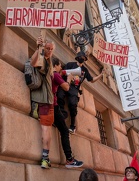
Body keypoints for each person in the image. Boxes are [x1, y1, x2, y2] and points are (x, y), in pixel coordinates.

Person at [57, 51, 106, 133]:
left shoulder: (85, 70)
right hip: (66, 84)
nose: (82, 59)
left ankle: (72, 126)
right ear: (77, 58)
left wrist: (101, 75)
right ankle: (62, 114)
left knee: (73, 105)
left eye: (83, 58)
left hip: (74, 89)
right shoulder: (70, 65)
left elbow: (92, 80)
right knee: (59, 95)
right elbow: (62, 73)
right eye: (81, 57)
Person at [52, 57, 84, 168]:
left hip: (48, 106)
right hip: (53, 106)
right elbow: (66, 87)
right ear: (55, 65)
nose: (61, 67)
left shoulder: (50, 74)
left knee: (62, 119)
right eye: (60, 65)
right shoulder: (55, 74)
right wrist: (69, 79)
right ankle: (69, 160)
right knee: (65, 132)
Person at [30, 35, 54, 169]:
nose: (49, 51)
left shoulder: (48, 61)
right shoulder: (44, 60)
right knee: (46, 131)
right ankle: (45, 158)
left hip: (41, 100)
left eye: (51, 49)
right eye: (47, 48)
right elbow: (34, 63)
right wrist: (38, 48)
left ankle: (35, 108)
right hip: (46, 102)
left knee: (46, 129)